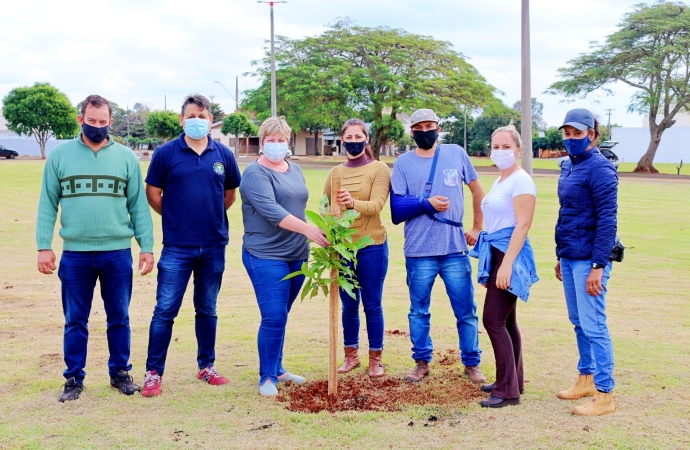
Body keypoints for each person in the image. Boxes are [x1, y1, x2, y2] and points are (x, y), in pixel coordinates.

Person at [36, 95, 154, 402]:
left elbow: (138, 207)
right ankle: (74, 378)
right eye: (92, 121)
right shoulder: (60, 156)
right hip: (75, 254)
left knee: (119, 316)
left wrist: (146, 247)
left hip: (116, 252)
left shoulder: (127, 158)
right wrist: (43, 247)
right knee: (76, 318)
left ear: (111, 122)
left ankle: (120, 374)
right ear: (81, 120)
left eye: (103, 122)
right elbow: (47, 204)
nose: (97, 127)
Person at [141, 94, 241, 397]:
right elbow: (153, 192)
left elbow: (229, 195)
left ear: (210, 119)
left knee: (207, 309)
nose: (197, 120)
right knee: (165, 310)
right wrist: (173, 217)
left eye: (202, 115)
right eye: (191, 116)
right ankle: (153, 373)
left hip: (213, 245)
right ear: (181, 120)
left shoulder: (223, 154)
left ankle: (206, 366)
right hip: (177, 247)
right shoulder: (166, 153)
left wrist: (208, 217)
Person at [390, 108, 487, 384]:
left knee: (466, 310)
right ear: (411, 131)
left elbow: (477, 190)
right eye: (418, 127)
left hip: (454, 248)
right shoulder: (403, 163)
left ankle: (472, 363)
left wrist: (477, 227)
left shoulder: (456, 153)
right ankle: (421, 362)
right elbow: (397, 210)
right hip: (419, 251)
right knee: (418, 310)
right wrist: (425, 204)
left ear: (438, 127)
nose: (424, 131)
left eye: (429, 125)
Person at [240, 116, 329, 397]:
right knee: (274, 315)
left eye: (281, 140)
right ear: (261, 142)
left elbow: (299, 205)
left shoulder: (295, 169)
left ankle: (278, 368)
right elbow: (272, 211)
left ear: (287, 142)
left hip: (296, 254)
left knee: (281, 314)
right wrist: (309, 230)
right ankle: (267, 377)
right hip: (265, 254)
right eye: (270, 140)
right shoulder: (255, 173)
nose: (276, 145)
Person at [554, 108, 618, 416]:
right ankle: (586, 379)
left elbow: (607, 220)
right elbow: (567, 214)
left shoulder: (600, 168)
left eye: (577, 133)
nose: (571, 138)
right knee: (579, 323)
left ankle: (605, 395)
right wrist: (560, 255)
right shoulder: (568, 165)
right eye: (567, 133)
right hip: (570, 256)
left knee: (594, 325)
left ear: (592, 134)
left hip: (590, 261)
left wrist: (598, 265)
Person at [469, 125, 538, 408]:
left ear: (518, 150)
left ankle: (507, 391)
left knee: (493, 321)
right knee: (507, 321)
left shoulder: (521, 181)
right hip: (496, 251)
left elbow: (522, 225)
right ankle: (512, 379)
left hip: (510, 254)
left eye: (506, 147)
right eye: (495, 147)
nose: (500, 152)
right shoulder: (501, 181)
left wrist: (506, 265)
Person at [323, 118, 391, 378]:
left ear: (366, 139)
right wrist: (331, 229)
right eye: (348, 138)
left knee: (372, 304)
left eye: (358, 137)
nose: (353, 142)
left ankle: (376, 358)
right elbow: (326, 206)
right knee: (348, 304)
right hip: (343, 249)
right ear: (342, 140)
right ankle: (351, 356)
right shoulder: (335, 173)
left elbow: (376, 206)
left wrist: (353, 203)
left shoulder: (379, 169)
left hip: (372, 245)